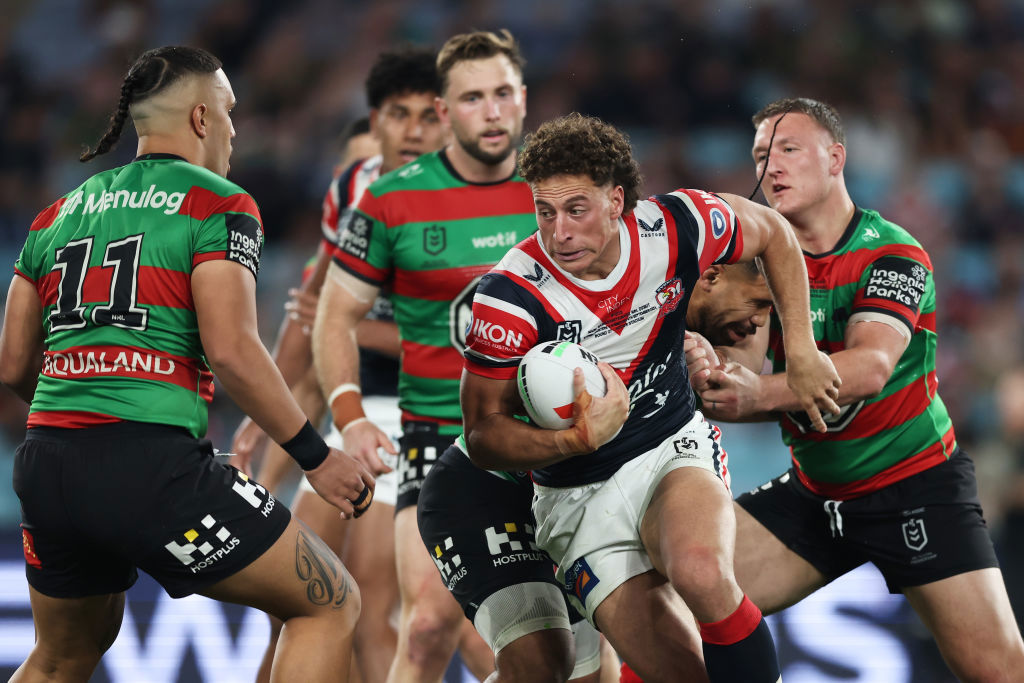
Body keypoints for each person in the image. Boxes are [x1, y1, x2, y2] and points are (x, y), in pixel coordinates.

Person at [0, 46, 374, 682]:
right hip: (148, 469)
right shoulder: (220, 206)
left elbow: (12, 366)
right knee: (329, 602)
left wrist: (90, 404)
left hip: (45, 465)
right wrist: (318, 457)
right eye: (229, 112)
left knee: (62, 655)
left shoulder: (54, 216)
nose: (233, 128)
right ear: (202, 118)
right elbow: (232, 350)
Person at [458, 112, 841, 683]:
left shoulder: (679, 225)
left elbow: (775, 233)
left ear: (616, 202)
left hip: (669, 448)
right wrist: (574, 438)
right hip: (575, 498)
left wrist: (804, 349)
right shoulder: (508, 299)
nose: (558, 231)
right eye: (545, 211)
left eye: (576, 210)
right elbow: (483, 434)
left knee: (701, 571)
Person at [685, 97, 1024, 681]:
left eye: (789, 149)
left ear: (836, 158)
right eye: (761, 156)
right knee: (681, 603)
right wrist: (703, 362)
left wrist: (757, 395)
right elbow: (737, 378)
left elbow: (869, 370)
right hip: (817, 495)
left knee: (998, 672)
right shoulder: (753, 266)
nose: (772, 169)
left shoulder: (893, 252)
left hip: (914, 487)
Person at [232, 47, 448, 683]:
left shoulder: (464, 203)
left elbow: (455, 345)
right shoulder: (353, 191)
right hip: (351, 417)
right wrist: (263, 422)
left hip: (424, 418)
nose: (412, 130)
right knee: (300, 601)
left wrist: (350, 327)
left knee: (385, 613)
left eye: (425, 115)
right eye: (396, 114)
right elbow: (310, 312)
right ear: (375, 120)